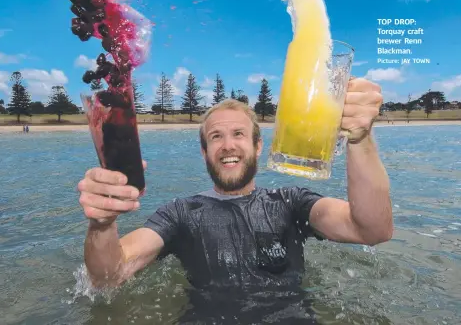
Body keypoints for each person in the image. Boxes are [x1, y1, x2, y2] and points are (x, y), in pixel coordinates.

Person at [77, 77, 392, 321]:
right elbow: (109, 276)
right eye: (216, 137)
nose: (228, 145)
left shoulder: (291, 202)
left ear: (257, 146)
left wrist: (360, 137)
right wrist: (102, 223)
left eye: (238, 134)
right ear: (204, 153)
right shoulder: (179, 213)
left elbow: (371, 229)